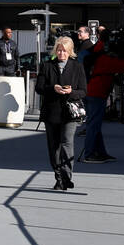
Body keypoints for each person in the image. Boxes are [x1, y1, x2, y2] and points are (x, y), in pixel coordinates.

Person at [79, 30, 124, 163]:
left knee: (94, 124)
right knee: (93, 125)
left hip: (90, 92)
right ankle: (89, 154)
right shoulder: (106, 60)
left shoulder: (97, 54)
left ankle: (100, 152)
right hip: (97, 94)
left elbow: (101, 46)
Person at [35, 36, 87, 190]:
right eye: (58, 50)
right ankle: (59, 177)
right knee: (53, 147)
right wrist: (53, 88)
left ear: (70, 51)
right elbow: (39, 88)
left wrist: (71, 92)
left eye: (64, 51)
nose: (61, 53)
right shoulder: (46, 66)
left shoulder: (77, 67)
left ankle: (66, 176)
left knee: (67, 143)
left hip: (69, 112)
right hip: (51, 112)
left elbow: (84, 91)